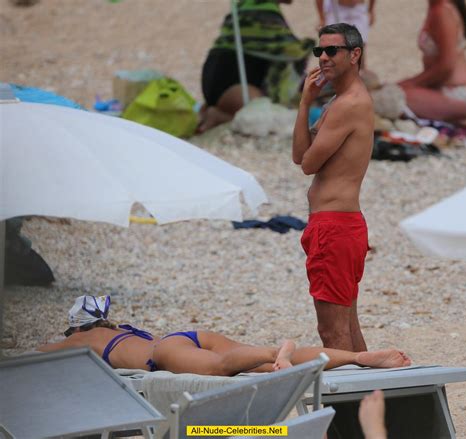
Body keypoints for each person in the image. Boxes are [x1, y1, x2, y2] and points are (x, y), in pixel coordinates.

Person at [37, 295, 411, 375]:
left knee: (219, 367)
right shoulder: (122, 329)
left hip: (163, 356)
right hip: (185, 336)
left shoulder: (79, 340)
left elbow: (36, 357)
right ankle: (357, 357)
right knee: (254, 365)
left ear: (78, 326)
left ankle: (274, 350)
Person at [292, 23, 374, 352]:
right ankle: (376, 399)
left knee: (333, 333)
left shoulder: (348, 104)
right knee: (348, 328)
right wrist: (305, 102)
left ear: (354, 54)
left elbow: (309, 164)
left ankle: (356, 403)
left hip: (334, 227)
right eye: (319, 51)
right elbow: (299, 156)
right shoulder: (339, 101)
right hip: (339, 225)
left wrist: (309, 104)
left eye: (332, 50)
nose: (323, 58)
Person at [198, 0, 314, 132]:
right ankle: (219, 116)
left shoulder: (245, 5)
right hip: (236, 85)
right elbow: (291, 51)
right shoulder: (264, 10)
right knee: (267, 121)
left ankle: (212, 110)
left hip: (215, 78)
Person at [398, 0, 466, 125]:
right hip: (444, 87)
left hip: (457, 91)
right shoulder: (438, 6)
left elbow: (446, 66)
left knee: (397, 97)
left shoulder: (442, 10)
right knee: (393, 93)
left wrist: (411, 83)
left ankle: (465, 110)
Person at [315, 0, 376, 69]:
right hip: (337, 9)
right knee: (334, 47)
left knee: (359, 47)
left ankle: (359, 73)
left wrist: (371, 10)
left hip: (358, 8)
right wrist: (322, 19)